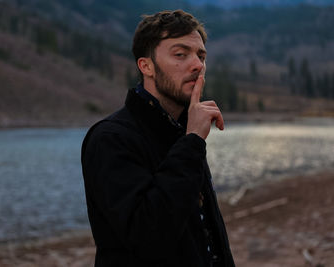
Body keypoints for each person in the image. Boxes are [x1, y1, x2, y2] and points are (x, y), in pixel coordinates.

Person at [81, 10, 235, 267]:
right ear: (146, 66)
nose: (197, 65)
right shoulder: (110, 138)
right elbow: (148, 236)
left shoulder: (183, 131)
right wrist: (193, 141)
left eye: (201, 55)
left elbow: (208, 233)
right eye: (180, 54)